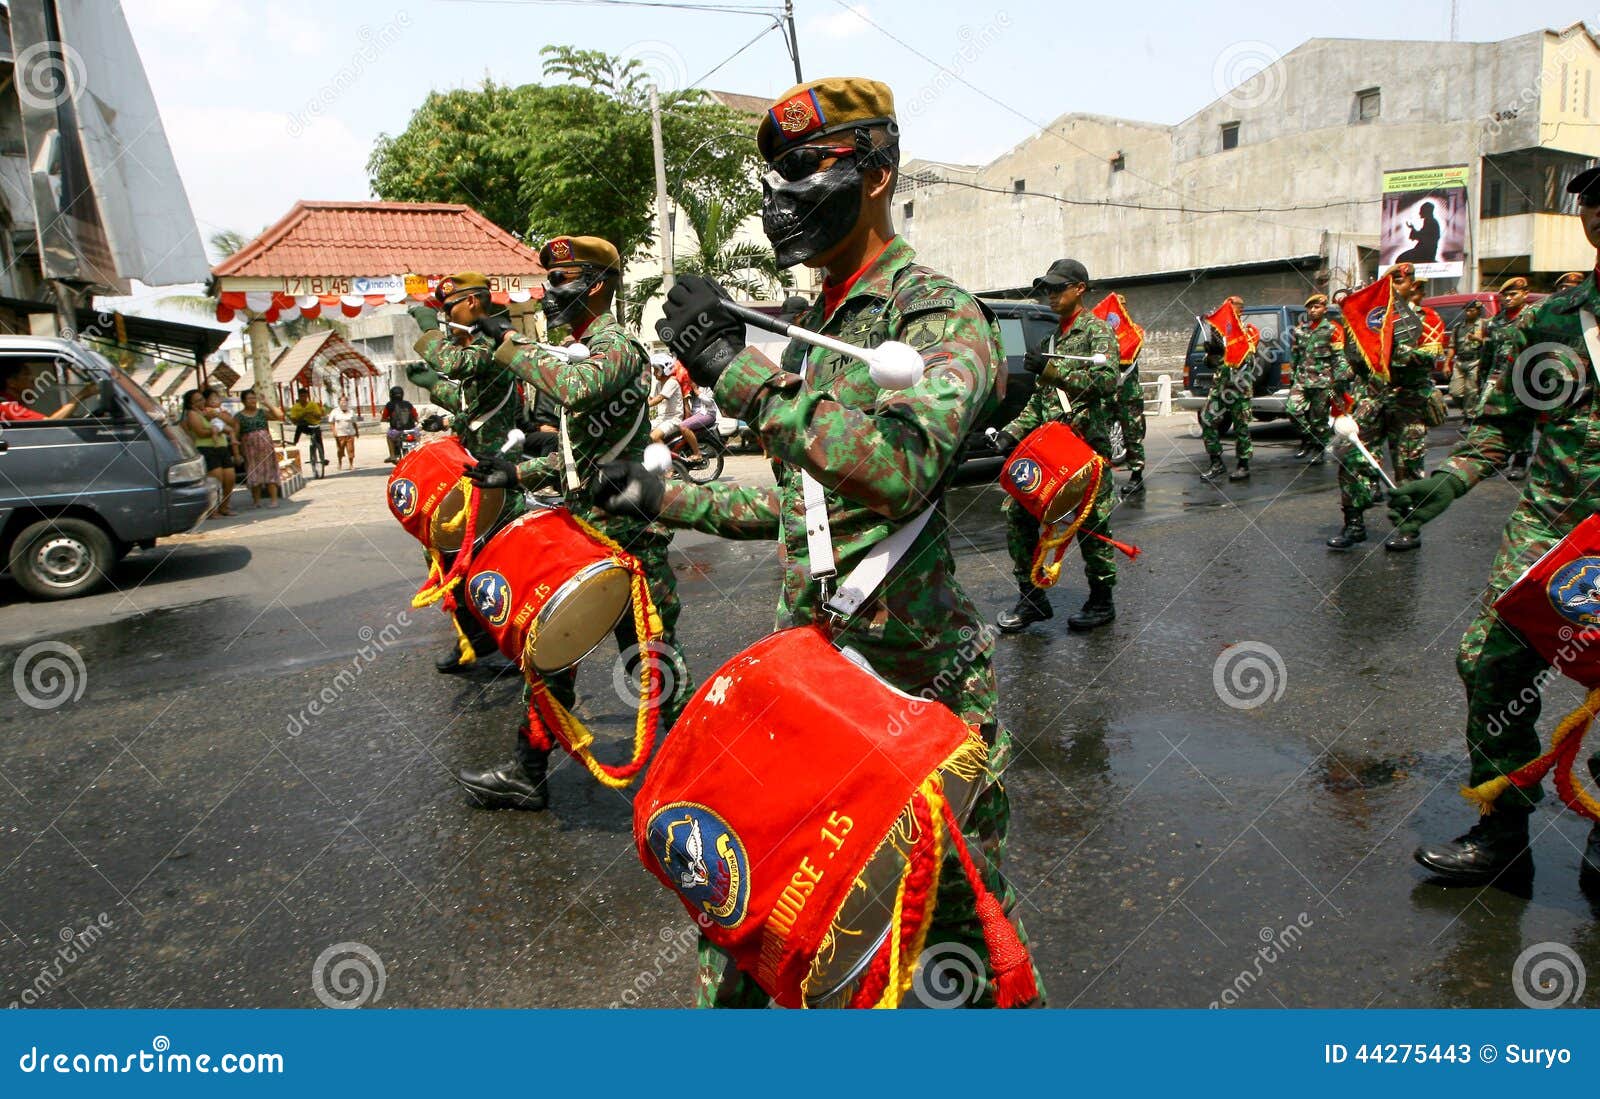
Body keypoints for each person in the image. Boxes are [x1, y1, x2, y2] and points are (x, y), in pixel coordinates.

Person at [600, 77, 1043, 1008]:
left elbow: (900, 469)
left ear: (876, 172)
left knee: (951, 951)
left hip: (916, 689)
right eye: (775, 175)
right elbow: (808, 514)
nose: (779, 196)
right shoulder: (816, 331)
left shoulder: (935, 315)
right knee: (751, 926)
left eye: (803, 168)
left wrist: (738, 374)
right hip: (813, 683)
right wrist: (661, 494)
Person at [1392, 166, 1600, 885]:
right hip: (1552, 524)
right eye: (1591, 200)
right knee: (1489, 661)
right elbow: (1502, 426)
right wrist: (1453, 479)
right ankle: (1502, 828)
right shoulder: (1550, 320)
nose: (1598, 211)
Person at [458, 235, 694, 813]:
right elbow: (577, 459)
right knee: (550, 649)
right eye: (551, 281)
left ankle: (704, 775)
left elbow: (576, 390)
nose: (551, 293)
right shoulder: (575, 347)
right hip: (584, 530)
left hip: (630, 533)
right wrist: (514, 472)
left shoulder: (616, 348)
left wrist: (509, 345)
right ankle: (528, 769)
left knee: (651, 660)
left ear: (598, 285)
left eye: (564, 281)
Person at [405, 273, 526, 675]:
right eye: (438, 311)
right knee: (445, 552)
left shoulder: (496, 343)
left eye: (449, 307)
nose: (444, 316)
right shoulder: (476, 346)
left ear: (474, 303)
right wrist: (434, 390)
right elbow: (468, 404)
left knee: (494, 562)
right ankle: (471, 639)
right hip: (473, 471)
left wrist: (425, 331)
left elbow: (455, 366)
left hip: (498, 472)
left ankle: (512, 645)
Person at [990, 258, 1120, 633]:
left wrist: (1053, 370)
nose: (1050, 294)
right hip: (1051, 451)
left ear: (1079, 288)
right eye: (1046, 288)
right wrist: (1012, 431)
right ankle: (1032, 599)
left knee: (1092, 527)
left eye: (1057, 288)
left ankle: (1101, 600)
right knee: (1018, 514)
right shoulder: (1051, 339)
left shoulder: (1097, 332)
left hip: (1085, 452)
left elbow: (1107, 382)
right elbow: (1039, 399)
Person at [1325, 261, 1436, 552]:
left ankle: (1408, 528)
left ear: (1413, 285)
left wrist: (1396, 349)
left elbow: (1428, 358)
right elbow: (1352, 359)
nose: (1396, 285)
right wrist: (1340, 382)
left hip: (1408, 400)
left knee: (1408, 465)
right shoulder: (1365, 320)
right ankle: (1354, 524)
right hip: (1372, 398)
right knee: (1351, 456)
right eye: (1390, 281)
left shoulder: (1427, 318)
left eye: (1402, 280)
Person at [1476, 278, 1534, 482]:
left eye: (1513, 294)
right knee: (1491, 417)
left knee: (1521, 418)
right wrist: (1482, 378)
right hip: (1497, 376)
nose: (1508, 299)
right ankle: (1497, 457)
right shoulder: (1496, 321)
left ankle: (1521, 460)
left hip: (1524, 377)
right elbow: (1488, 352)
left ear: (1525, 294)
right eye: (1505, 295)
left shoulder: (1533, 317)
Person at [1199, 295, 1256, 482]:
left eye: (1233, 307)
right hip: (1220, 385)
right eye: (1226, 306)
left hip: (1239, 387)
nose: (1228, 310)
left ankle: (1243, 464)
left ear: (1241, 310)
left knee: (1241, 427)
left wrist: (1227, 347)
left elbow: (1246, 358)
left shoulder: (1249, 332)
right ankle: (1216, 462)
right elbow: (1212, 363)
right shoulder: (1220, 332)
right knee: (1207, 419)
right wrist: (1212, 353)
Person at [1286, 293, 1342, 464]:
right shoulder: (1300, 329)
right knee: (1292, 410)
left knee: (1319, 420)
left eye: (1316, 307)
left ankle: (1319, 449)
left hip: (1322, 381)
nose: (1312, 310)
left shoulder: (1333, 329)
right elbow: (1295, 355)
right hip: (1302, 379)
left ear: (1324, 309)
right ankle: (1309, 438)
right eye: (1310, 307)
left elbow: (1338, 356)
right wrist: (1292, 375)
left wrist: (1339, 378)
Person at [181, 388, 236, 516]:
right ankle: (213, 509)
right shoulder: (192, 414)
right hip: (206, 448)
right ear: (191, 404)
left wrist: (218, 419)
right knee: (216, 478)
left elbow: (231, 423)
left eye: (202, 399)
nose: (202, 402)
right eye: (198, 400)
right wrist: (216, 430)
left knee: (230, 477)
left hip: (222, 446)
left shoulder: (209, 411)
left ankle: (225, 506)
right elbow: (200, 432)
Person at [0, 359, 97, 420]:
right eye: (26, 374)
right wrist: (82, 394)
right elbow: (50, 424)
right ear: (11, 382)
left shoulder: (12, 404)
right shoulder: (7, 407)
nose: (33, 379)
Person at [236, 388, 284, 507]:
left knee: (270, 472)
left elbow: (279, 415)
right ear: (243, 401)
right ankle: (256, 501)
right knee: (253, 472)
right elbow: (236, 435)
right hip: (250, 449)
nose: (252, 401)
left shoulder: (262, 412)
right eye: (249, 398)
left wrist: (267, 403)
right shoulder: (238, 416)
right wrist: (237, 452)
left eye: (254, 398)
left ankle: (274, 500)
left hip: (265, 447)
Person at [1113, 335, 1147, 496]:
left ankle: (1136, 476)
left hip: (1129, 396)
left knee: (1131, 436)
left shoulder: (1132, 333)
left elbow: (1128, 353)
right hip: (1108, 393)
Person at [1448, 299, 1487, 425]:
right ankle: (1468, 409)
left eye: (1472, 310)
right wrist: (1446, 363)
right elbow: (1452, 346)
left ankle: (1469, 417)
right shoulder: (1458, 327)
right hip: (1460, 362)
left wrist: (1479, 339)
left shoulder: (1485, 325)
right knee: (1455, 392)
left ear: (1478, 311)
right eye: (1467, 310)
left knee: (1471, 391)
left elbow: (1492, 342)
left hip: (1476, 361)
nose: (1468, 313)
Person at [380, 386, 417, 463]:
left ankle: (392, 455)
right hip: (411, 430)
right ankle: (417, 453)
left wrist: (388, 420)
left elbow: (383, 418)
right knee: (417, 438)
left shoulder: (389, 405)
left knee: (389, 437)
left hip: (397, 431)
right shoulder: (408, 404)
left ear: (391, 395)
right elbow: (415, 416)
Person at [328, 396, 359, 470]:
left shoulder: (351, 411)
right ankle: (340, 462)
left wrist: (357, 432)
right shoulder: (334, 411)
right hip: (340, 434)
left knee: (351, 449)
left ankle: (351, 464)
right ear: (339, 402)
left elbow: (354, 423)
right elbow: (331, 423)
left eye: (345, 401)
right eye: (342, 401)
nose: (344, 403)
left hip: (350, 434)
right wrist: (334, 432)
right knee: (340, 450)